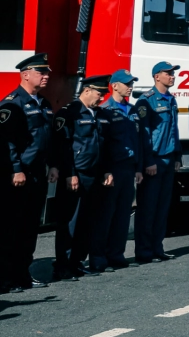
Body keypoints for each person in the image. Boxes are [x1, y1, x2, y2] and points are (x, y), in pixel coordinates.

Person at [2, 53, 57, 292]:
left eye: (46, 73)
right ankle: (6, 278)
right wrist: (16, 169)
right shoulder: (12, 103)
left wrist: (53, 164)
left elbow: (49, 139)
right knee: (11, 228)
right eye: (41, 73)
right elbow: (7, 141)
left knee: (29, 228)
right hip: (19, 175)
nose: (46, 77)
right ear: (25, 75)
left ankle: (23, 274)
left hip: (37, 174)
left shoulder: (43, 103)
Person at [50, 74, 109, 281]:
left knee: (86, 222)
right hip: (76, 176)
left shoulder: (99, 114)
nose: (101, 97)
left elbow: (103, 146)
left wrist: (105, 171)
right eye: (98, 93)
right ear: (86, 90)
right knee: (70, 223)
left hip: (93, 174)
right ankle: (62, 266)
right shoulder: (70, 113)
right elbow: (63, 147)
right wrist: (70, 174)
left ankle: (77, 262)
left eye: (103, 94)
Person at [91, 69, 143, 271]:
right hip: (112, 169)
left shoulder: (132, 110)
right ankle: (98, 257)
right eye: (127, 83)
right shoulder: (105, 110)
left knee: (122, 214)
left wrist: (138, 167)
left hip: (129, 168)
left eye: (132, 83)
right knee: (105, 215)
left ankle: (116, 254)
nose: (131, 87)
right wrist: (106, 170)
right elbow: (102, 145)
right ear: (115, 86)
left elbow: (137, 141)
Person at [134, 62, 181, 263]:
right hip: (154, 160)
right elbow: (143, 135)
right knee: (148, 208)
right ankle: (144, 252)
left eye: (172, 73)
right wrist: (149, 160)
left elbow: (174, 130)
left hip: (168, 159)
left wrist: (177, 155)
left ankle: (157, 248)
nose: (172, 76)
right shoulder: (147, 101)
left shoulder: (170, 99)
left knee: (162, 208)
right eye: (168, 73)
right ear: (156, 76)